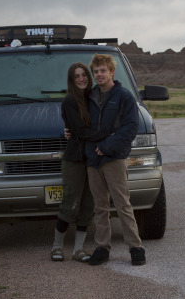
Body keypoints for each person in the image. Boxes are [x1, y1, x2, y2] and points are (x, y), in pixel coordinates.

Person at [84, 53, 145, 266]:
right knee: (100, 206)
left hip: (114, 159)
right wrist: (69, 131)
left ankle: (136, 248)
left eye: (103, 70)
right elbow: (83, 125)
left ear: (112, 72)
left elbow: (130, 128)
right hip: (93, 160)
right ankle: (102, 248)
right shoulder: (89, 96)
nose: (99, 74)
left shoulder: (123, 96)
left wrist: (107, 146)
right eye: (96, 71)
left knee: (122, 204)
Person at [50, 62, 107, 262]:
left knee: (87, 205)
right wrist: (106, 134)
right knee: (70, 203)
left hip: (92, 160)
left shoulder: (93, 97)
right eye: (77, 76)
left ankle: (78, 250)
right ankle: (56, 247)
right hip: (74, 160)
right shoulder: (69, 101)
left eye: (84, 75)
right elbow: (81, 131)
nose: (81, 78)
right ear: (72, 80)